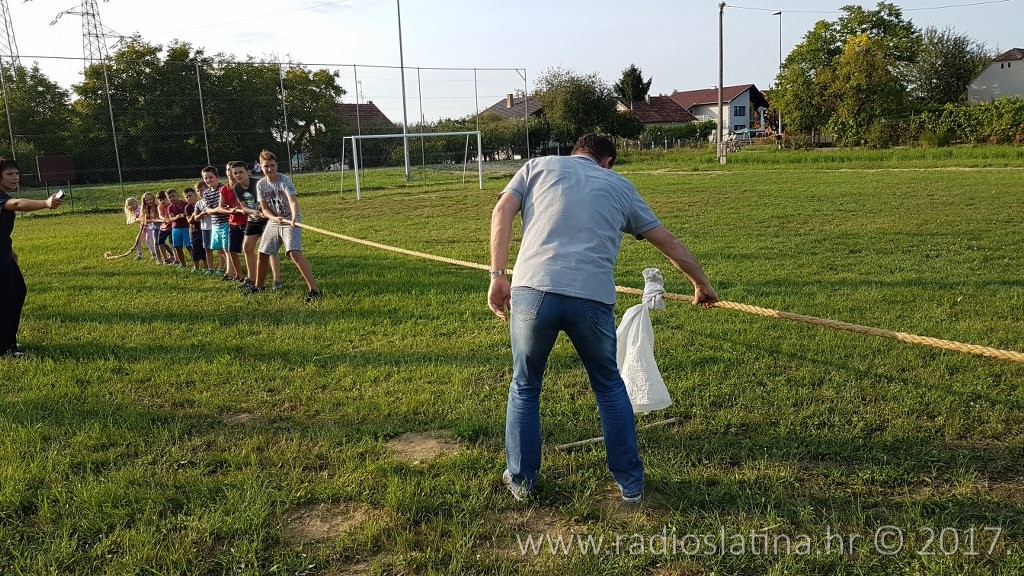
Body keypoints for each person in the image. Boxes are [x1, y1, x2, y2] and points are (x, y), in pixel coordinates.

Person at [487, 133, 718, 503]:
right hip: (591, 299)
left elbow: (501, 210)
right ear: (608, 162)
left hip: (533, 292)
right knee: (609, 386)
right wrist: (700, 283)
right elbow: (668, 242)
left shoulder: (536, 167)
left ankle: (522, 481)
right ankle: (631, 485)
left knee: (525, 386)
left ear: (574, 152)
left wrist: (498, 276)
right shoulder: (620, 186)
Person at [0, 159, 63, 357]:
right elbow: (17, 204)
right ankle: (4, 348)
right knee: (6, 300)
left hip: (4, 253)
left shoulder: (3, 195)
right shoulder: (2, 199)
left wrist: (10, 250)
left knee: (18, 292)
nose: (15, 177)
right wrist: (45, 203)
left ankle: (8, 341)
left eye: (17, 173)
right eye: (9, 174)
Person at [244, 150, 320, 302]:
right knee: (263, 253)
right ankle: (258, 287)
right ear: (261, 167)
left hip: (290, 220)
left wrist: (293, 217)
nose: (270, 169)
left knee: (294, 253)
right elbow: (264, 208)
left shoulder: (285, 180)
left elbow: (292, 201)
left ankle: (314, 291)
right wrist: (274, 218)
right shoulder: (261, 184)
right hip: (274, 221)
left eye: (272, 165)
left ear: (277, 165)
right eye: (266, 166)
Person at [228, 160, 281, 291]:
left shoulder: (258, 184)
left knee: (271, 249)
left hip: (268, 219)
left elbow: (269, 202)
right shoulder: (237, 188)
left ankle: (277, 281)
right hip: (253, 219)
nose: (238, 175)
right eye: (235, 173)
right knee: (247, 248)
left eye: (241, 172)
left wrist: (264, 212)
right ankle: (252, 279)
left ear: (248, 172)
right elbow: (244, 207)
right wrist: (254, 212)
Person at [201, 166, 234, 280]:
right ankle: (233, 267)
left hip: (226, 222)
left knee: (227, 248)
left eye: (211, 177)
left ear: (217, 177)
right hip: (215, 223)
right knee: (219, 248)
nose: (208, 180)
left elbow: (226, 207)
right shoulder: (206, 193)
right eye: (205, 178)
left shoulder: (223, 189)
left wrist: (216, 209)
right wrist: (218, 209)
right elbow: (208, 210)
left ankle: (229, 273)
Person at [183, 188, 208, 273]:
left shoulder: (201, 203)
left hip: (203, 228)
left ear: (195, 195)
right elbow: (189, 221)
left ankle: (206, 266)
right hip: (194, 231)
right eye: (186, 197)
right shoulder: (187, 207)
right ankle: (196, 267)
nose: (188, 198)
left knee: (204, 248)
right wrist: (194, 216)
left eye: (190, 195)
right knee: (195, 249)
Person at [166, 189, 190, 269]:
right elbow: (171, 218)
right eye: (169, 197)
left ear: (178, 195)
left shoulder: (185, 204)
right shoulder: (170, 207)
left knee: (189, 246)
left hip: (186, 228)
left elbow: (188, 214)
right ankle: (182, 264)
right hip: (175, 229)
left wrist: (184, 215)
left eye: (173, 196)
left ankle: (195, 263)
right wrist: (177, 217)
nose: (172, 198)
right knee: (178, 247)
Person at [138, 192, 162, 263]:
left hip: (158, 227)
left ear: (154, 199)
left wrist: (152, 220)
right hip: (150, 227)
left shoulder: (157, 207)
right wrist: (148, 218)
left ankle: (169, 255)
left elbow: (158, 218)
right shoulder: (146, 209)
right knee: (150, 241)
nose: (149, 201)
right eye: (147, 200)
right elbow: (145, 220)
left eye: (150, 199)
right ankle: (155, 255)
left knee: (160, 243)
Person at [156, 190, 176, 264]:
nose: (162, 201)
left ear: (167, 198)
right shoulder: (160, 206)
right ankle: (166, 259)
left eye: (164, 199)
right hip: (163, 227)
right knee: (160, 242)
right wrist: (164, 219)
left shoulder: (171, 205)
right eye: (160, 200)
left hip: (172, 227)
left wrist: (170, 219)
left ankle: (176, 258)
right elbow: (160, 215)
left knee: (172, 242)